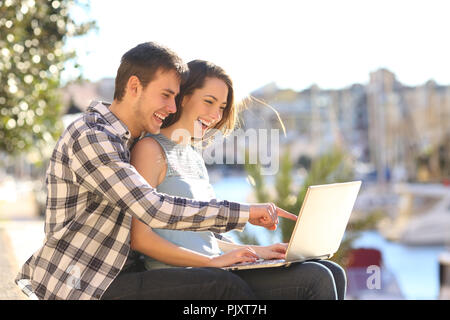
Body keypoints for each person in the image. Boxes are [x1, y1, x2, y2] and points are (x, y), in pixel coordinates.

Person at [15, 42, 296, 300]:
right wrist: (245, 213)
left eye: (176, 97)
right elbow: (152, 208)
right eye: (166, 95)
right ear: (134, 86)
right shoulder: (92, 137)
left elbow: (184, 231)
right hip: (86, 284)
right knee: (222, 286)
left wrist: (256, 253)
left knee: (315, 274)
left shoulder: (129, 140)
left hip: (121, 274)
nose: (172, 107)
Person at [121, 60, 347, 300]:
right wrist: (212, 262)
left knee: (333, 271)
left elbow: (204, 237)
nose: (215, 115)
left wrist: (260, 251)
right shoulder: (149, 148)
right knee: (315, 278)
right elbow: (141, 238)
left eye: (222, 106)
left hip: (215, 267)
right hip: (181, 277)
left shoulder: (194, 156)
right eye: (209, 101)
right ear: (183, 97)